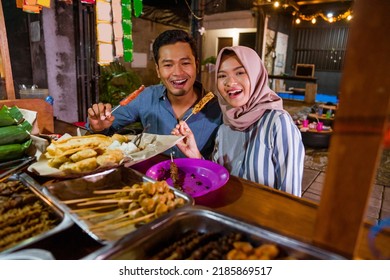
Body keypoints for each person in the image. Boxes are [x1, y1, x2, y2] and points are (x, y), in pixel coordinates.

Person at [172, 46, 304, 196]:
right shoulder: (225, 127)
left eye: (240, 72)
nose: (230, 82)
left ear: (256, 76)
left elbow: (292, 198)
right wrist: (195, 155)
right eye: (222, 76)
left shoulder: (278, 123)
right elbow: (217, 179)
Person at [86, 29, 222, 158]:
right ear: (158, 70)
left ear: (196, 66)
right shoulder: (146, 96)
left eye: (185, 63)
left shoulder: (219, 110)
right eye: (168, 65)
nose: (178, 73)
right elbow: (106, 126)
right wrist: (98, 127)